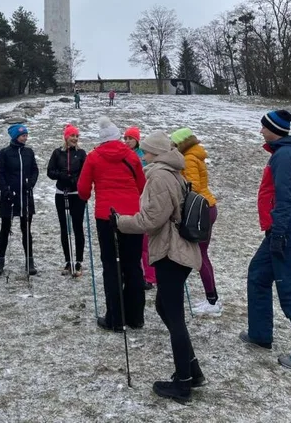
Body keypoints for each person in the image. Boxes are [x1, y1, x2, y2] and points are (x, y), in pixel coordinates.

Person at [113, 131, 203, 403]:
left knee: (174, 316)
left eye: (147, 151)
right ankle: (193, 372)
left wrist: (120, 222)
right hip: (176, 251)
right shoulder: (171, 171)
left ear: (154, 152)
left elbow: (151, 220)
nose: (143, 154)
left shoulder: (159, 176)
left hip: (170, 252)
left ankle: (183, 383)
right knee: (164, 307)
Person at [240, 109, 291, 371]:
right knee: (258, 274)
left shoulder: (285, 156)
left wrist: (280, 233)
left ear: (275, 128)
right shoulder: (282, 153)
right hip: (279, 229)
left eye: (263, 126)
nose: (260, 130)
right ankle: (260, 334)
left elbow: (286, 199)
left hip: (286, 232)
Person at [78, 117, 146, 331]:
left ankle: (115, 318)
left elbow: (83, 190)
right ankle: (136, 317)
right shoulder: (131, 156)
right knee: (133, 265)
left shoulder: (93, 157)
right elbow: (142, 185)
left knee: (111, 266)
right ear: (118, 136)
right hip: (133, 216)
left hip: (106, 217)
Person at [171, 127, 220, 315]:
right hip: (205, 207)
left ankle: (213, 300)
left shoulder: (189, 158)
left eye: (174, 144)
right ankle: (211, 298)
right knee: (199, 254)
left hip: (201, 209)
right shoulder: (193, 155)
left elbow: (194, 186)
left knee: (200, 255)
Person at [0, 124, 39, 277]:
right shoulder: (5, 153)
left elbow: (34, 170)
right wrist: (5, 190)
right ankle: (0, 261)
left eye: (26, 135)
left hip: (25, 196)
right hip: (9, 197)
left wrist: (30, 183)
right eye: (22, 135)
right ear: (15, 136)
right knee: (5, 229)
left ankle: (29, 260)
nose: (25, 137)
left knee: (26, 229)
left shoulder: (29, 152)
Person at [47, 124, 87, 275]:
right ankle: (67, 261)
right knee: (64, 227)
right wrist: (62, 175)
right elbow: (50, 171)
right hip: (61, 193)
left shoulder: (82, 153)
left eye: (77, 136)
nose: (75, 139)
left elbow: (85, 172)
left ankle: (79, 261)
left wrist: (76, 180)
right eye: (72, 136)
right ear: (66, 137)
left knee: (78, 227)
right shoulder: (57, 153)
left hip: (77, 194)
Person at [123, 126, 156, 290]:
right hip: (130, 201)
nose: (127, 141)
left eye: (130, 138)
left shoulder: (144, 156)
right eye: (126, 138)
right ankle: (139, 273)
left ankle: (149, 276)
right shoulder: (123, 155)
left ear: (137, 139)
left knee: (145, 243)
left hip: (144, 201)